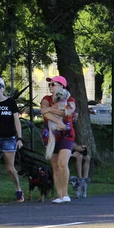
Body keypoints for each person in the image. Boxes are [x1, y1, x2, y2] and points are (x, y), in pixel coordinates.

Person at [40, 75, 76, 203]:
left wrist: (49, 110)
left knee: (62, 163)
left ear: (62, 86)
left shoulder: (70, 98)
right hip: (51, 134)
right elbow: (42, 111)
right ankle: (59, 195)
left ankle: (65, 193)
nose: (51, 87)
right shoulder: (46, 98)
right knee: (55, 165)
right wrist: (57, 120)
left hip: (67, 134)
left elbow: (67, 112)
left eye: (53, 84)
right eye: (50, 84)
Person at [0, 76, 24, 202]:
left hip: (9, 138)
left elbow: (16, 121)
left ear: (3, 88)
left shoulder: (10, 102)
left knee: (10, 168)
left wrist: (19, 138)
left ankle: (18, 189)